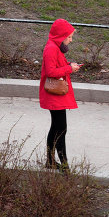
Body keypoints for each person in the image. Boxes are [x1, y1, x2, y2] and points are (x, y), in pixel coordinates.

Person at [39, 19, 81, 171]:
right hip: (54, 94)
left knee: (56, 127)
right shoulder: (51, 48)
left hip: (56, 94)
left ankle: (50, 161)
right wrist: (69, 68)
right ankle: (64, 165)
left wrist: (70, 66)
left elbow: (57, 66)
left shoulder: (55, 47)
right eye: (69, 37)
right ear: (61, 36)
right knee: (61, 129)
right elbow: (50, 72)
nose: (71, 40)